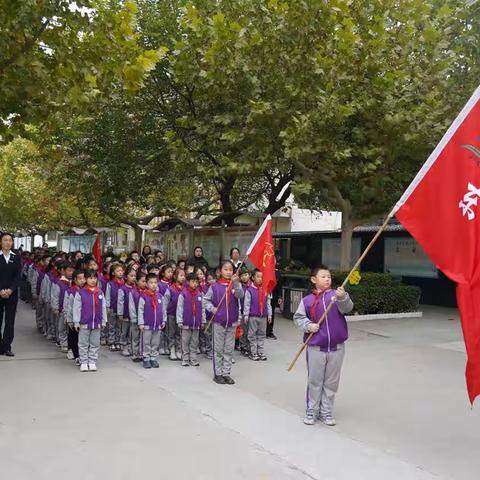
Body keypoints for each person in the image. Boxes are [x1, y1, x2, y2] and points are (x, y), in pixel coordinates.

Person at [293, 265, 353, 427]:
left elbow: (348, 308)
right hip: (316, 348)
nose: (327, 279)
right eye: (323, 276)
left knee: (331, 382)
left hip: (337, 347)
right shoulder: (307, 300)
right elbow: (298, 318)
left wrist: (343, 297)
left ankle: (326, 411)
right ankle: (312, 411)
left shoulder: (336, 296)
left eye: (329, 276)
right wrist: (309, 326)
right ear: (314, 280)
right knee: (315, 381)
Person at [203, 260, 244, 385]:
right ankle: (218, 373)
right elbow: (205, 301)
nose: (228, 272)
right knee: (219, 349)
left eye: (230, 270)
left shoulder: (235, 285)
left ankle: (226, 373)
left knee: (229, 349)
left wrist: (237, 284)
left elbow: (240, 295)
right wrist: (212, 309)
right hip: (219, 322)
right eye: (225, 269)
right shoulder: (214, 286)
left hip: (232, 322)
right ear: (220, 271)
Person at [73, 270, 107, 372]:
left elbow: (103, 307)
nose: (93, 280)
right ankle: (83, 361)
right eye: (90, 278)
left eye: (94, 278)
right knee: (83, 343)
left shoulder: (100, 292)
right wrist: (76, 322)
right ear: (85, 279)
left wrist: (104, 320)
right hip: (84, 323)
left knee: (95, 343)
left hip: (96, 323)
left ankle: (92, 361)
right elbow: (77, 308)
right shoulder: (81, 293)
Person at [137, 273, 167, 369]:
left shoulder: (160, 297)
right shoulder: (143, 296)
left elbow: (163, 310)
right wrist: (141, 323)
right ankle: (146, 358)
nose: (153, 284)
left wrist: (164, 320)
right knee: (146, 342)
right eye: (151, 283)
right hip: (147, 325)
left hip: (157, 325)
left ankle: (153, 358)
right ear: (146, 284)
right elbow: (140, 310)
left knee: (155, 342)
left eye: (155, 282)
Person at [177, 272, 206, 367]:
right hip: (186, 323)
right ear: (188, 282)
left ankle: (193, 359)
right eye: (193, 282)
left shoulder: (199, 294)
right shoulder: (183, 294)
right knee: (185, 341)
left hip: (196, 324)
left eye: (196, 282)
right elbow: (180, 308)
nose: (195, 284)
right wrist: (180, 320)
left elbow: (202, 309)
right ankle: (185, 359)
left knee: (194, 342)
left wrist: (203, 320)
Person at [0, 233, 22, 356]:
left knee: (10, 321)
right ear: (1, 242)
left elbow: (17, 276)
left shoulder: (16, 257)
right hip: (0, 292)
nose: (8, 242)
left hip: (12, 294)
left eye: (10, 240)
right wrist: (1, 290)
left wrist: (10, 290)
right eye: (5, 240)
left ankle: (7, 346)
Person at [243, 269, 272, 361]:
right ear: (253, 277)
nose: (260, 279)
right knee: (252, 334)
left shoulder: (265, 290)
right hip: (253, 316)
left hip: (263, 316)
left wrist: (269, 315)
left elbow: (268, 303)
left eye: (262, 277)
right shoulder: (249, 290)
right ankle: (253, 352)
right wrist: (246, 315)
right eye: (258, 277)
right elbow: (246, 304)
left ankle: (260, 351)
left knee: (261, 334)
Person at [50, 261, 75, 353]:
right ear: (63, 271)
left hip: (71, 310)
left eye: (73, 271)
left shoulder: (74, 282)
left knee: (70, 327)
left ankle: (70, 343)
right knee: (62, 327)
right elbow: (55, 296)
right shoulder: (59, 283)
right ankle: (63, 343)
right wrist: (55, 307)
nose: (71, 272)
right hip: (61, 309)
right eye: (69, 271)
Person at [65, 269, 86, 365]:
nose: (82, 281)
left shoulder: (87, 291)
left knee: (82, 339)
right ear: (75, 280)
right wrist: (68, 319)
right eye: (80, 279)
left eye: (84, 278)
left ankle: (82, 355)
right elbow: (67, 306)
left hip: (84, 319)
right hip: (73, 319)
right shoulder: (70, 291)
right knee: (73, 336)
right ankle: (74, 352)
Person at [165, 268, 185, 361]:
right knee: (171, 332)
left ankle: (178, 350)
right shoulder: (171, 289)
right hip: (171, 314)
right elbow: (165, 303)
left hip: (181, 316)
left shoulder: (185, 289)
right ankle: (171, 349)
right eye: (181, 276)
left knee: (179, 333)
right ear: (175, 277)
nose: (183, 278)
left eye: (184, 276)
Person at [105, 263, 125, 351]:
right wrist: (107, 307)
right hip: (113, 307)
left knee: (119, 326)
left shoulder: (124, 283)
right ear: (113, 273)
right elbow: (108, 296)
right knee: (112, 325)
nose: (120, 273)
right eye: (118, 271)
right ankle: (111, 341)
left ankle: (118, 341)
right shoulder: (110, 284)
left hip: (122, 309)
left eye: (121, 271)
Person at [117, 266, 136, 357]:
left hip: (133, 314)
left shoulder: (136, 288)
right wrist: (120, 313)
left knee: (131, 331)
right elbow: (120, 302)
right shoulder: (122, 289)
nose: (133, 278)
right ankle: (123, 345)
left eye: (134, 276)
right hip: (125, 314)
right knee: (124, 330)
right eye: (131, 276)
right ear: (126, 277)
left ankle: (129, 345)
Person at [128, 271, 147, 363]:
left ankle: (142, 353)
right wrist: (134, 318)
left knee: (143, 338)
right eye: (143, 281)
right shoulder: (133, 292)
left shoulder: (148, 292)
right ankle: (135, 354)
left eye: (146, 281)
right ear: (137, 281)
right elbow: (131, 306)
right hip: (135, 319)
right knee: (135, 337)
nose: (145, 283)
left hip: (145, 320)